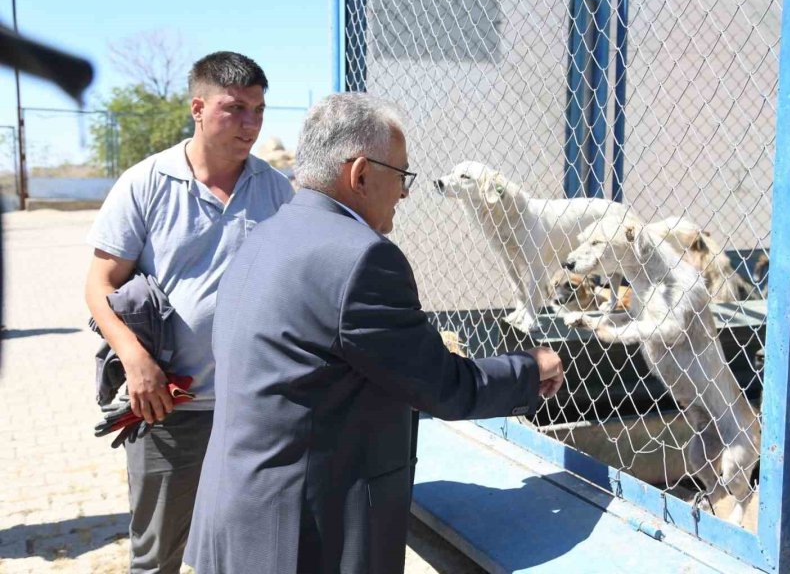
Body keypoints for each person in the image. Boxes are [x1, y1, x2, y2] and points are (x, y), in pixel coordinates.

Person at [184, 92, 565, 574]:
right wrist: (530, 370)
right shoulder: (363, 258)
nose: (405, 193)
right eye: (402, 176)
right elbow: (443, 386)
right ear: (360, 173)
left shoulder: (266, 234)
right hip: (305, 538)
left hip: (239, 513)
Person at [84, 51, 295, 573]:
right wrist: (133, 357)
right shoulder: (147, 183)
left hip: (253, 410)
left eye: (259, 110)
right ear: (197, 108)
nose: (250, 124)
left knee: (246, 551)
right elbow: (98, 284)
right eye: (236, 109)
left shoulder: (276, 191)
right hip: (169, 407)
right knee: (159, 556)